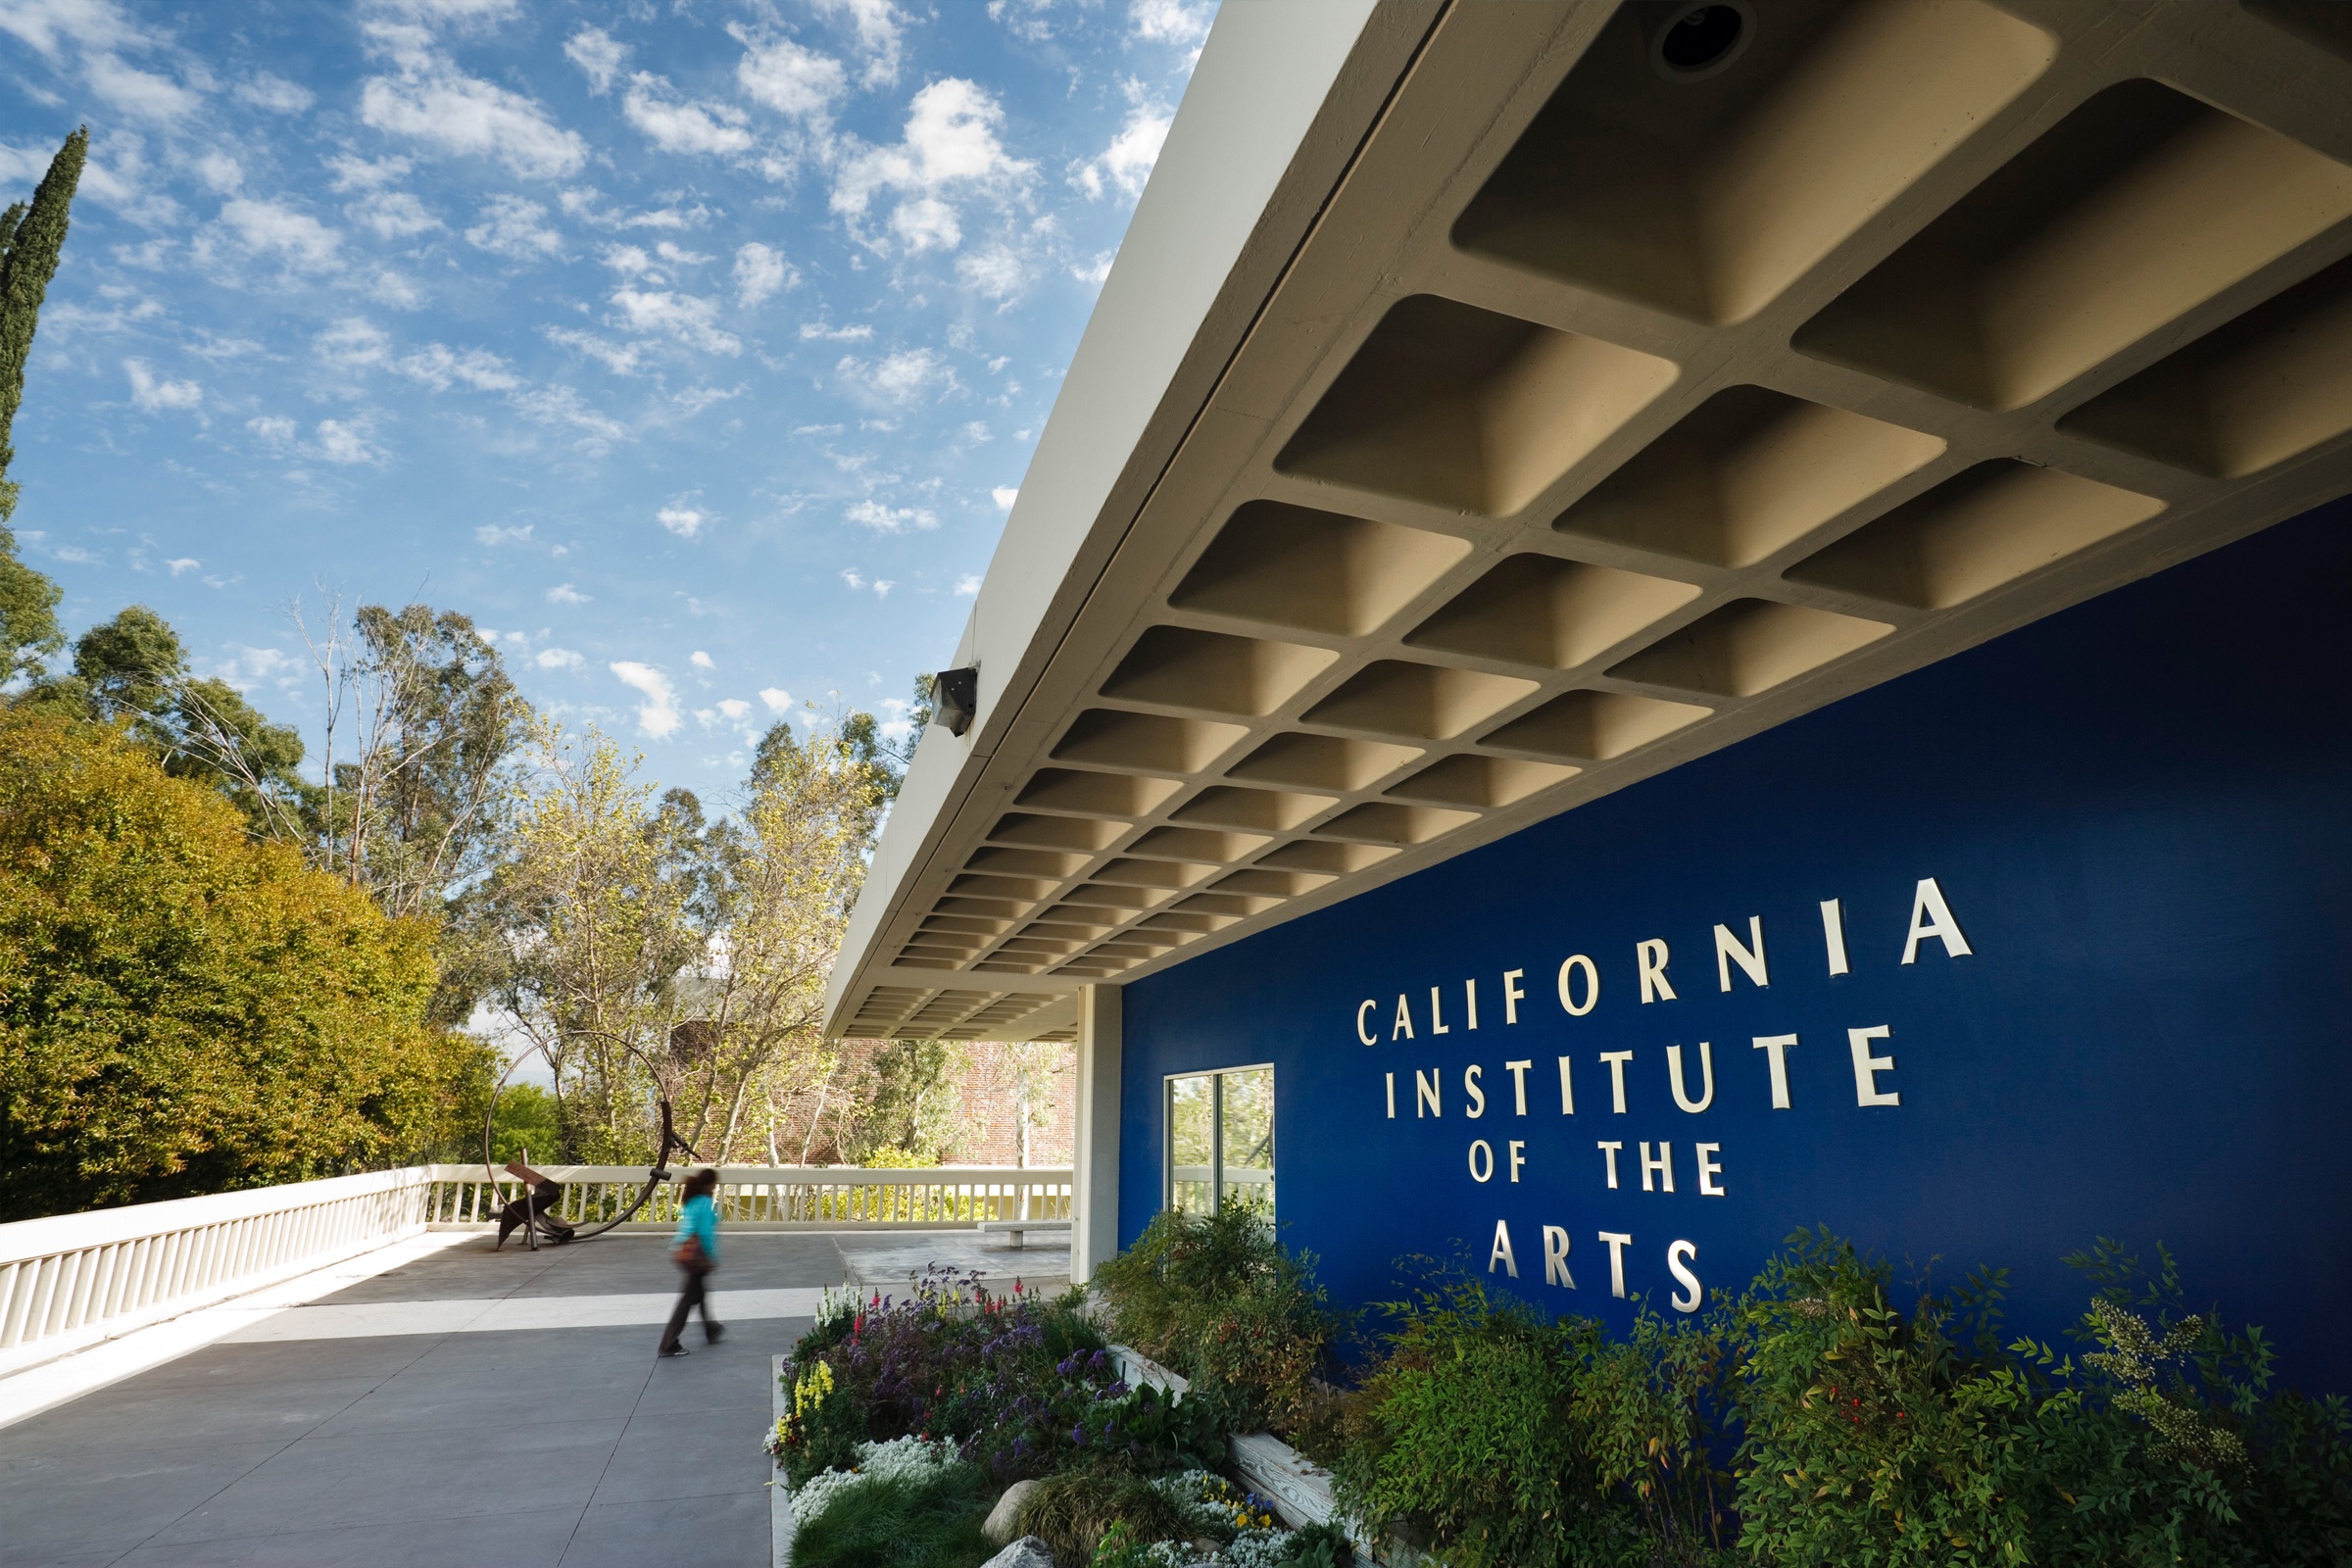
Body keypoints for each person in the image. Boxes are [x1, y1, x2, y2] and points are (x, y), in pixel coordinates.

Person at [658, 1167, 724, 1356]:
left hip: (682, 1251)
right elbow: (705, 1233)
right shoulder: (705, 1203)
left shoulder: (691, 1200)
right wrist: (712, 1257)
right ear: (711, 1184)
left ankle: (712, 1330)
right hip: (696, 1255)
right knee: (687, 1301)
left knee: (699, 1294)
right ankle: (668, 1344)